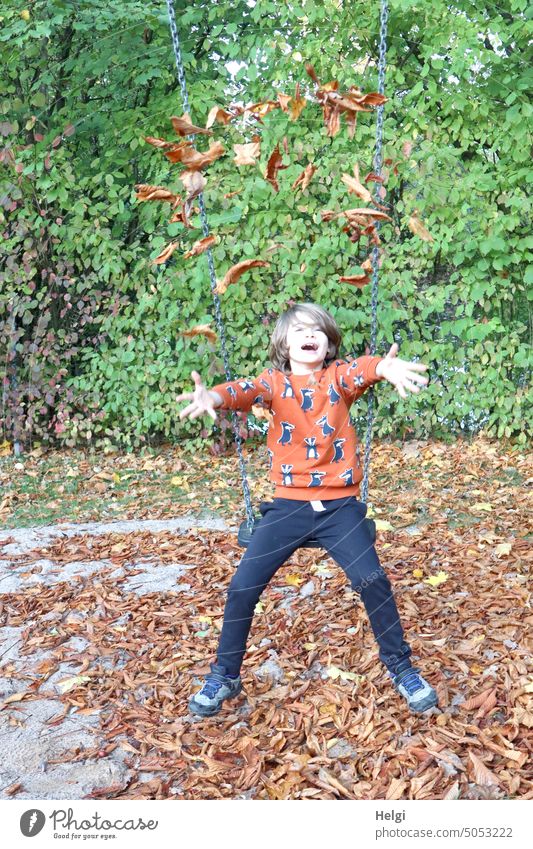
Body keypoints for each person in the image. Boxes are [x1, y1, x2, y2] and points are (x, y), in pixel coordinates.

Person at [177, 302, 438, 717]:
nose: (310, 335)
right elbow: (242, 391)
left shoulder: (338, 378)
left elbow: (363, 370)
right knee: (243, 586)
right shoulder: (273, 384)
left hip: (339, 508)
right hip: (287, 508)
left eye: (318, 329)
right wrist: (213, 396)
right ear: (283, 343)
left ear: (329, 341)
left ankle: (401, 667)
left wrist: (384, 369)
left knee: (373, 580)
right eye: (300, 330)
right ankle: (225, 673)